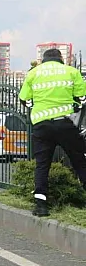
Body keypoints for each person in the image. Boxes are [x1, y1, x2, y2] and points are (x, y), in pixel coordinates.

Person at [18, 48, 86, 217]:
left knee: (42, 165)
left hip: (42, 126)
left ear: (43, 59)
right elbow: (82, 97)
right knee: (79, 160)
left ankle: (41, 205)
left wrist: (35, 107)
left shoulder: (34, 73)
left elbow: (24, 99)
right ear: (61, 58)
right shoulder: (71, 71)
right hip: (65, 124)